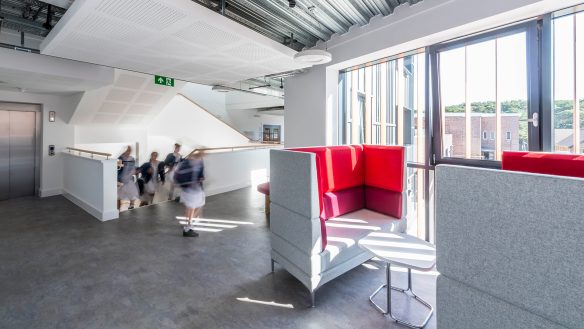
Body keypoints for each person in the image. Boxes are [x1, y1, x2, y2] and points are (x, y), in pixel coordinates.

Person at [175, 150, 206, 237]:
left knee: (196, 207)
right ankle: (187, 228)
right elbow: (180, 175)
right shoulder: (189, 163)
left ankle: (189, 225)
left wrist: (201, 178)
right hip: (190, 190)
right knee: (191, 208)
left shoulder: (198, 162)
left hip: (194, 189)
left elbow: (200, 175)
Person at [117, 146, 140, 211]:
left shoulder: (132, 158)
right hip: (121, 178)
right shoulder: (120, 158)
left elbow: (133, 167)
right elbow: (118, 168)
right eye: (127, 150)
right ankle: (118, 208)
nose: (128, 152)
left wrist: (133, 172)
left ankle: (131, 205)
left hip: (129, 177)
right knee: (119, 194)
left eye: (129, 150)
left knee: (131, 191)